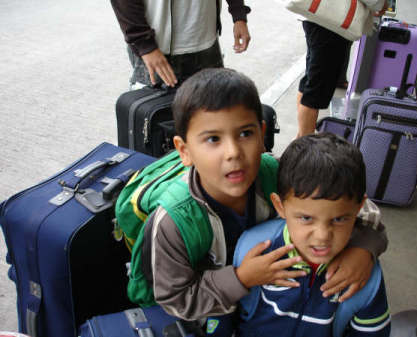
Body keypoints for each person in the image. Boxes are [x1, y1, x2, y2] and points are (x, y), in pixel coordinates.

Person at [138, 68, 387, 325]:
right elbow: (177, 300)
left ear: (262, 134)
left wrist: (364, 247)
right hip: (210, 313)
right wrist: (241, 278)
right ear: (184, 150)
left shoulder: (277, 173)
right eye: (213, 139)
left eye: (245, 133)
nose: (233, 152)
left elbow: (353, 204)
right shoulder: (173, 221)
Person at [234, 133, 390, 337]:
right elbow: (224, 318)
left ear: (359, 207)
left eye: (340, 219)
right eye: (306, 218)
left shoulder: (364, 277)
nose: (323, 236)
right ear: (280, 206)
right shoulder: (253, 248)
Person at [296, 1, 389, 137]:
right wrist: (381, 4)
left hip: (317, 16)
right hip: (331, 23)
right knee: (315, 89)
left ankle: (300, 138)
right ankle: (302, 146)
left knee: (311, 80)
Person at [110, 0, 251, 88]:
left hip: (206, 42)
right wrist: (145, 45)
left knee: (210, 116)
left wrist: (239, 15)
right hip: (156, 50)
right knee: (156, 124)